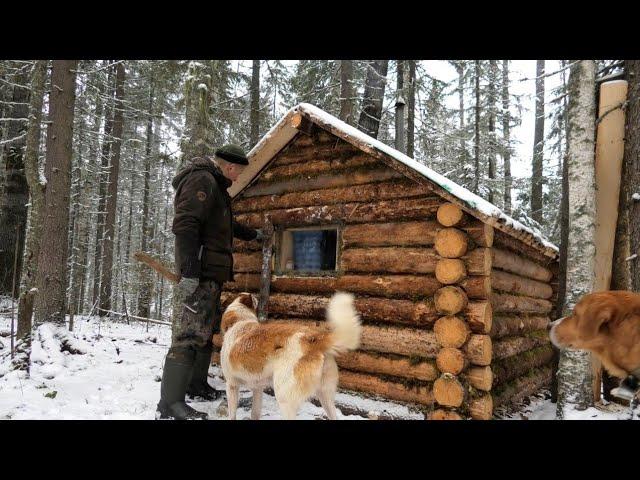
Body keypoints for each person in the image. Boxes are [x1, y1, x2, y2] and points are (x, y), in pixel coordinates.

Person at [156, 144, 262, 420]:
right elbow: (185, 223)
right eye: (238, 172)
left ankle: (196, 385)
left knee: (203, 333)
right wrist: (189, 269)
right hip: (198, 273)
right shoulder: (201, 180)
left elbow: (225, 226)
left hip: (211, 275)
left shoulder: (216, 187)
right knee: (188, 334)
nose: (238, 177)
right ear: (230, 166)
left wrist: (252, 235)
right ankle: (169, 405)